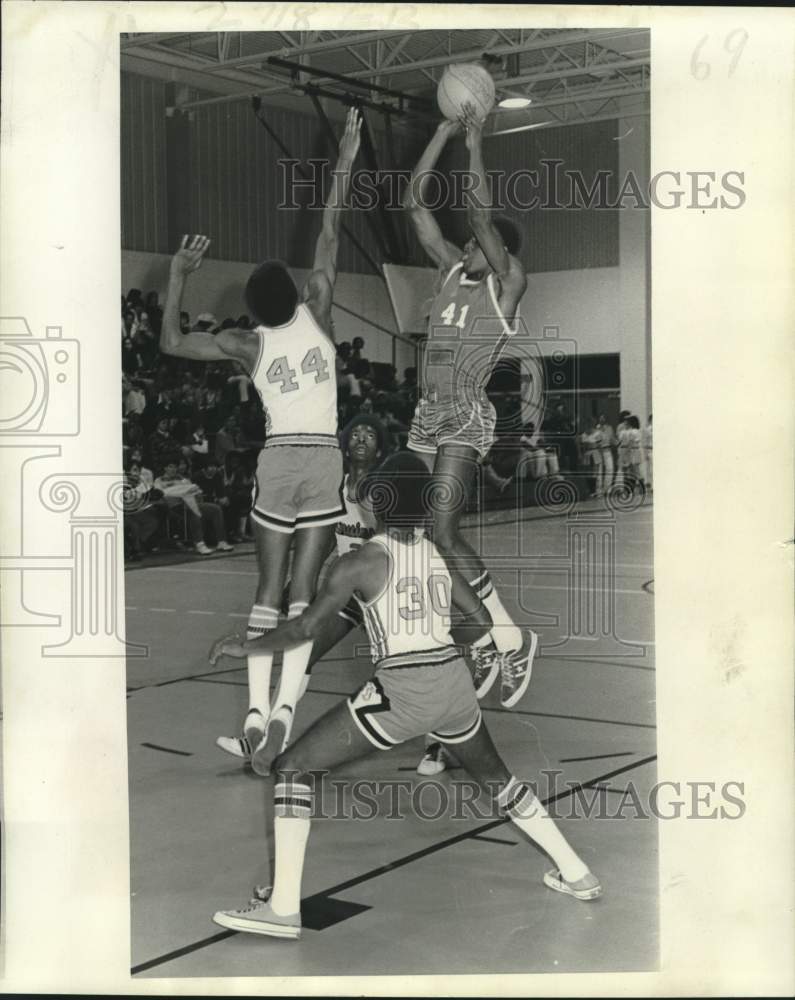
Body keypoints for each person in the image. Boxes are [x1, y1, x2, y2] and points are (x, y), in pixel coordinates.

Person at [209, 452, 599, 940]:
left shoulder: (359, 563)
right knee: (498, 780)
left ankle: (283, 909)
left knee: (292, 769)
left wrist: (242, 646)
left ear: (375, 501)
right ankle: (577, 872)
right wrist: (433, 646)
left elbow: (305, 628)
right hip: (454, 685)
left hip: (403, 692)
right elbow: (481, 624)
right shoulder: (436, 554)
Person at [160, 108, 363, 771]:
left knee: (265, 592)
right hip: (323, 457)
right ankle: (282, 714)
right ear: (295, 292)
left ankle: (253, 714)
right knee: (305, 596)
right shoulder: (321, 309)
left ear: (254, 305)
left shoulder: (246, 344)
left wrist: (177, 276)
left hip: (278, 461)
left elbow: (167, 341)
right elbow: (329, 228)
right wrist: (344, 162)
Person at [402, 103, 536, 707]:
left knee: (443, 528)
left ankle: (498, 634)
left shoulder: (507, 281)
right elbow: (414, 203)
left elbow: (479, 212)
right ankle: (495, 640)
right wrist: (440, 132)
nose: (469, 242)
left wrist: (476, 140)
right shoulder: (449, 271)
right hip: (427, 412)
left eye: (481, 242)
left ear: (496, 249)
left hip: (464, 413)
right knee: (419, 540)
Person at [153, 461, 235, 556]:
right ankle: (199, 543)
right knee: (192, 511)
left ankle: (221, 541)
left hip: (191, 503)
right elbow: (160, 494)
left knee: (215, 509)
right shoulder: (159, 481)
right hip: (174, 507)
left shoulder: (183, 479)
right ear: (165, 468)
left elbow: (195, 490)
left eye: (175, 467)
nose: (173, 469)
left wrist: (195, 492)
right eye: (170, 467)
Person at [643, 413, 653, 491]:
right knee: (651, 469)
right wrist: (646, 452)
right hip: (650, 449)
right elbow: (645, 441)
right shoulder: (647, 429)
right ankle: (652, 485)